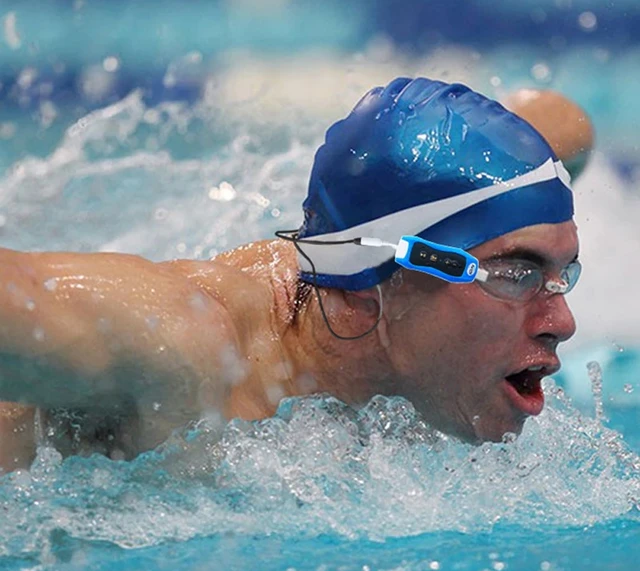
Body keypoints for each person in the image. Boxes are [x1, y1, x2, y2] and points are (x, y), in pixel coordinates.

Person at [0, 77, 594, 472]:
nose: (561, 322)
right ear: (376, 281)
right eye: (517, 273)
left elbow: (564, 122)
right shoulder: (185, 352)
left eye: (561, 273)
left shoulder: (397, 331)